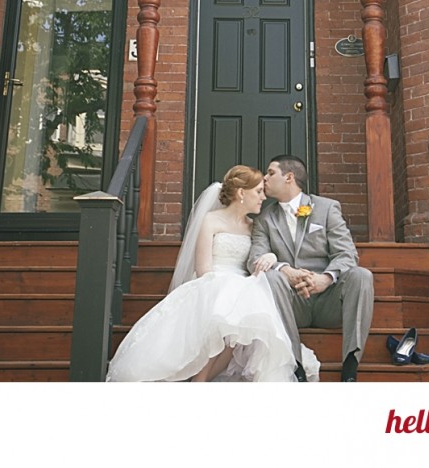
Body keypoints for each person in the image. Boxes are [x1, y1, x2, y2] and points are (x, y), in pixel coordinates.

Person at [106, 165, 319, 382]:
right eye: (258, 191)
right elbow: (203, 269)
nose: (263, 197)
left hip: (245, 286)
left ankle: (202, 381)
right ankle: (199, 380)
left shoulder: (255, 226)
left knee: (239, 319)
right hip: (212, 282)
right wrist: (226, 289)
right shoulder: (211, 220)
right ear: (241, 193)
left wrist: (272, 258)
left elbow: (262, 255)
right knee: (225, 312)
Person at [248, 155, 374, 382]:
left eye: (270, 173)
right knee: (272, 277)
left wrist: (325, 278)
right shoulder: (265, 219)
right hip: (292, 303)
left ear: (289, 177)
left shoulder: (326, 208)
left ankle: (350, 366)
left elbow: (346, 253)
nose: (264, 178)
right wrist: (285, 270)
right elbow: (255, 258)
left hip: (328, 301)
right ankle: (295, 366)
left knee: (362, 275)